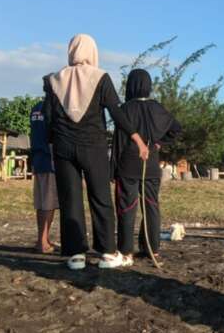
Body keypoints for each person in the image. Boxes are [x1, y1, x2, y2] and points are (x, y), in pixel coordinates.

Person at [43, 34, 150, 270]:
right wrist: (137, 139)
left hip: (63, 147)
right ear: (92, 51)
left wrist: (51, 144)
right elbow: (116, 112)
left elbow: (48, 117)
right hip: (94, 147)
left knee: (70, 200)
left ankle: (76, 255)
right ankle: (108, 253)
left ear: (71, 51)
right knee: (100, 198)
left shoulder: (53, 79)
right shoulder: (100, 77)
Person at [111, 68, 181, 264]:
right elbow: (176, 129)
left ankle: (126, 250)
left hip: (127, 165)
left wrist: (112, 169)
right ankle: (153, 249)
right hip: (150, 164)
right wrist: (158, 143)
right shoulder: (157, 108)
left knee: (127, 207)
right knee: (151, 206)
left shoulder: (125, 109)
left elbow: (118, 142)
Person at [30, 77, 58, 254]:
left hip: (38, 158)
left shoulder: (35, 108)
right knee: (49, 202)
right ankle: (43, 241)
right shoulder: (54, 108)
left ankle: (43, 238)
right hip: (51, 160)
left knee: (41, 203)